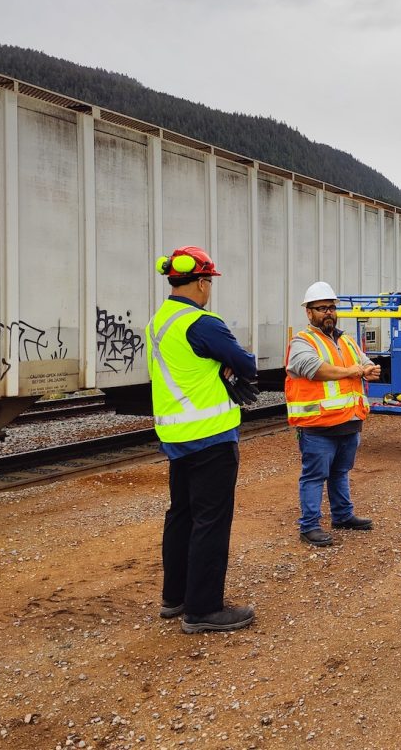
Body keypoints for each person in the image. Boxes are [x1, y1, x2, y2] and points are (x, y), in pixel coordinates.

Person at [145, 246, 257, 634]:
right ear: (201, 283)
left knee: (181, 516)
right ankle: (203, 609)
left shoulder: (160, 321)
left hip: (176, 436)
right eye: (208, 281)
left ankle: (174, 598)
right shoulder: (202, 322)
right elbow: (248, 363)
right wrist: (229, 363)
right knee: (210, 521)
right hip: (210, 437)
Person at [286, 281, 380, 547]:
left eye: (331, 307)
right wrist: (354, 371)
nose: (328, 312)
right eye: (321, 308)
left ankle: (342, 516)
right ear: (309, 313)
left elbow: (363, 362)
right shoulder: (302, 342)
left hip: (349, 421)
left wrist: (370, 368)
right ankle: (309, 527)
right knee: (314, 476)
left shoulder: (346, 340)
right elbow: (314, 369)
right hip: (318, 426)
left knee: (340, 472)